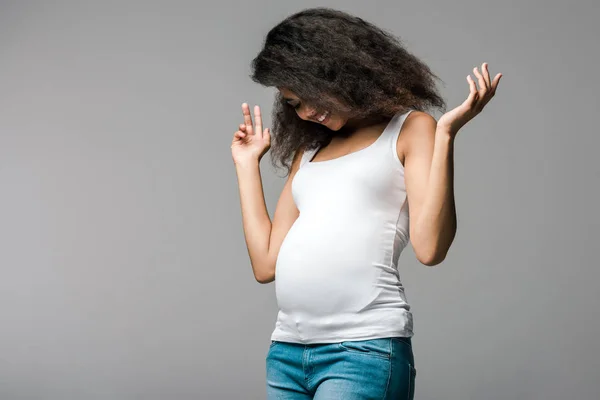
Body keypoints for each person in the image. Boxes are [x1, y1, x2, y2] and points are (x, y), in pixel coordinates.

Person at [231, 7, 501, 400]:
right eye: (293, 103)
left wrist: (445, 136)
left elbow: (430, 249)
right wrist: (245, 165)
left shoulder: (409, 129)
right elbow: (265, 264)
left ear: (341, 70)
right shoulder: (308, 151)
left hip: (363, 351)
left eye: (308, 94)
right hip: (287, 352)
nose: (306, 111)